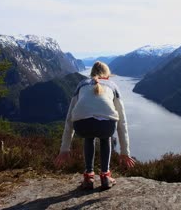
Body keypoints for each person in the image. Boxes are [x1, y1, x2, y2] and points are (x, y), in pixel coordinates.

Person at [54, 61, 135, 190]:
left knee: (89, 137)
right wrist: (124, 152)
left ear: (91, 73)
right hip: (106, 127)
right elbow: (122, 121)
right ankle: (105, 176)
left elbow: (69, 119)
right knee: (105, 137)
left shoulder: (81, 84)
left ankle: (88, 177)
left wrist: (65, 149)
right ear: (107, 76)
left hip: (81, 125)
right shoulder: (113, 86)